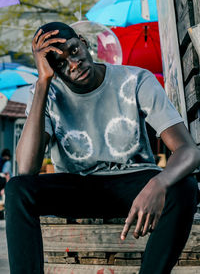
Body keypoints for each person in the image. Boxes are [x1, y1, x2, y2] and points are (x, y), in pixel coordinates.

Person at [5, 22, 200, 274]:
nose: (73, 64)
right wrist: (43, 82)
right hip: (77, 187)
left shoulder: (135, 79)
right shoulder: (46, 93)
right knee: (17, 190)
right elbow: (27, 168)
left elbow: (188, 150)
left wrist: (158, 184)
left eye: (73, 51)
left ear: (84, 43)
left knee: (184, 186)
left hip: (134, 184)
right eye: (60, 64)